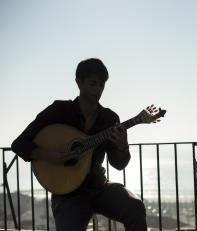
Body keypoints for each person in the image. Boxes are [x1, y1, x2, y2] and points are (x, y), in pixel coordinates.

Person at [11, 58, 147, 231]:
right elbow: (19, 144)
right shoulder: (59, 111)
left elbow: (119, 164)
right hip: (68, 193)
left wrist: (122, 146)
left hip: (99, 186)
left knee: (135, 207)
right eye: (92, 84)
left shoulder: (109, 119)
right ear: (78, 82)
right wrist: (48, 155)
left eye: (102, 85)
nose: (98, 90)